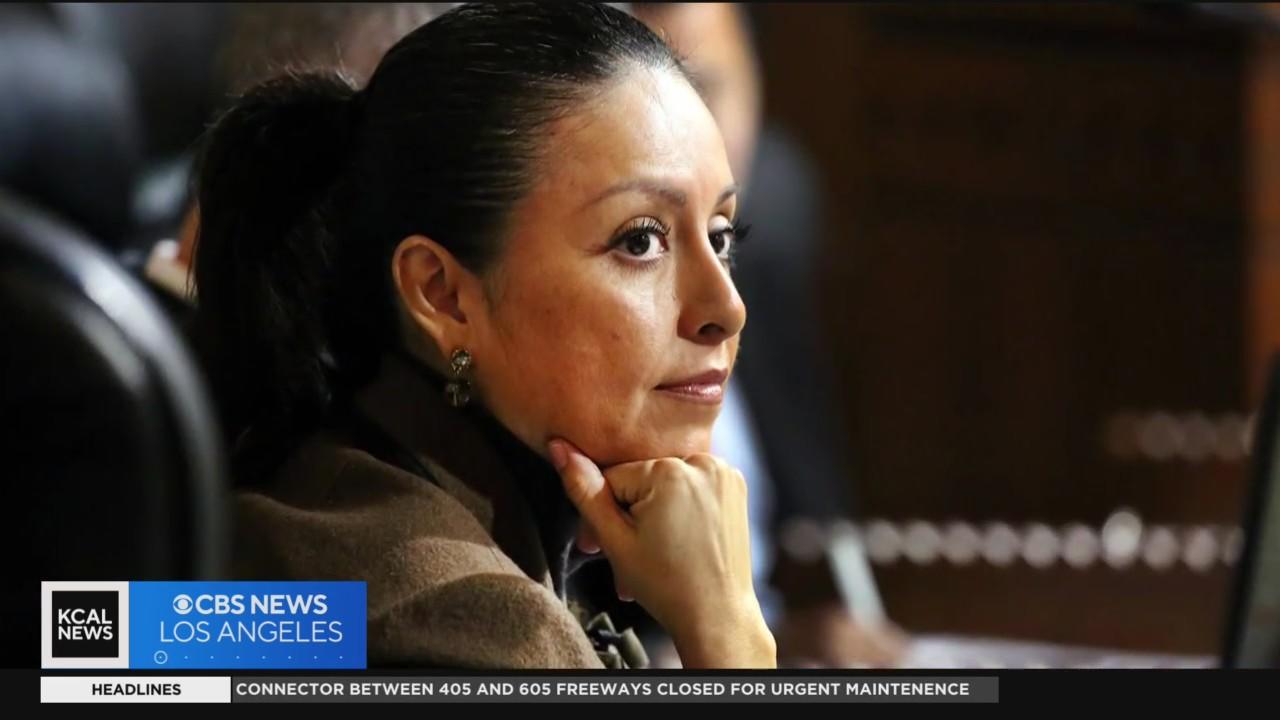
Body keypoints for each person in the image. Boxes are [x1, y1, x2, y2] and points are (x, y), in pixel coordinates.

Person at [192, 2, 775, 669]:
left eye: (721, 237)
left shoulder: (332, 500)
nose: (726, 309)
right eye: (639, 241)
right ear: (442, 294)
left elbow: (110, 634)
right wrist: (729, 633)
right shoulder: (472, 625)